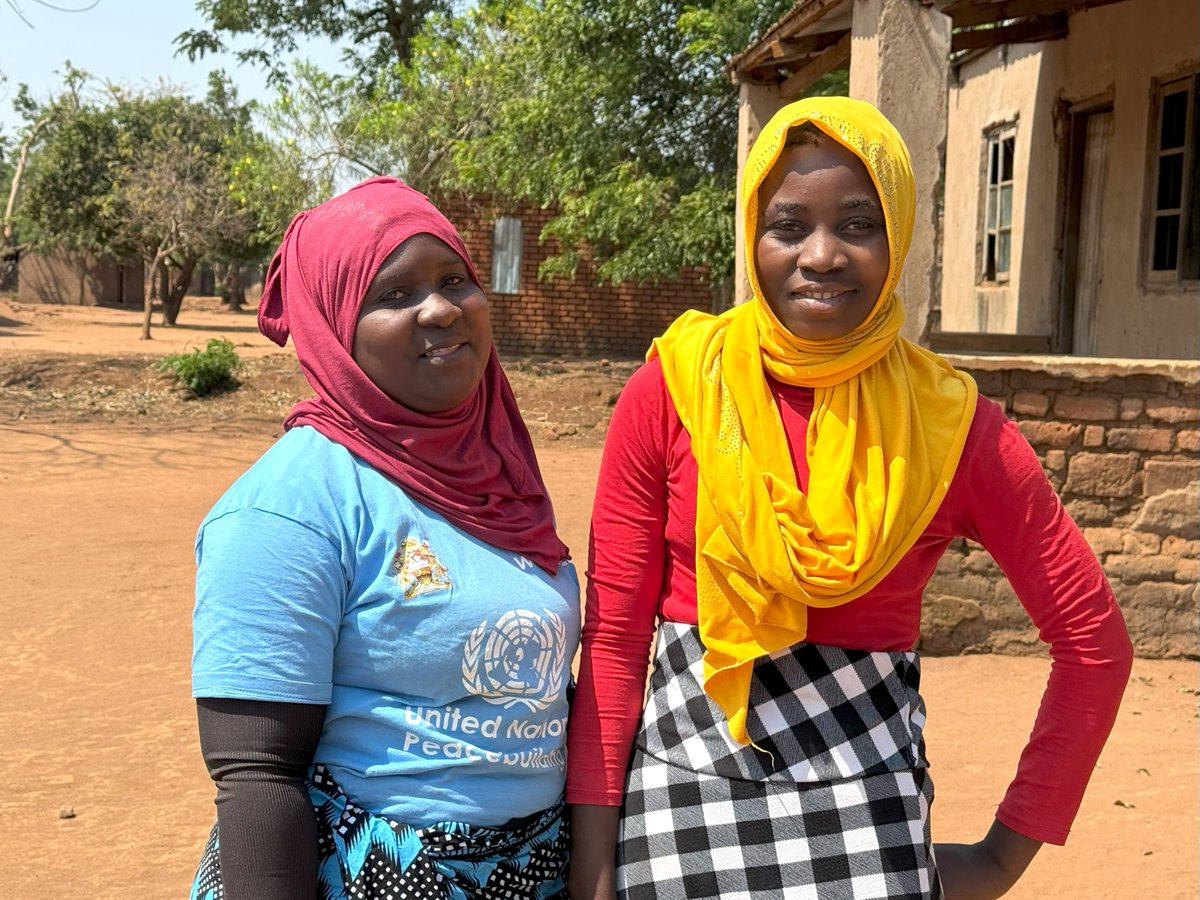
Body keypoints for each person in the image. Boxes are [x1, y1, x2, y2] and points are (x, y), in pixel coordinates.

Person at [565, 97, 1132, 900]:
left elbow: (1094, 646)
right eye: (789, 225)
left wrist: (1003, 857)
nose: (822, 255)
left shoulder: (951, 425)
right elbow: (616, 641)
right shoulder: (677, 390)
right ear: (751, 235)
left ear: (897, 235)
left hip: (867, 822)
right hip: (676, 813)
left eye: (859, 225)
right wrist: (594, 871)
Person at [188, 177, 579, 900]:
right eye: (394, 295)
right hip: (376, 873)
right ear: (336, 327)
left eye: (454, 279)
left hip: (534, 865)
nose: (440, 308)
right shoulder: (288, 508)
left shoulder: (495, 474)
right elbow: (258, 775)